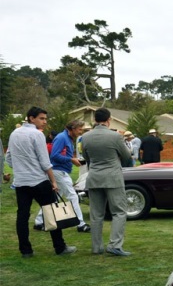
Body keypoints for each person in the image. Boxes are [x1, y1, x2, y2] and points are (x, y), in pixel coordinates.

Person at [7, 106, 77, 257]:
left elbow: (8, 158)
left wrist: (20, 167)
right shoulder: (37, 135)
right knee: (52, 213)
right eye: (42, 118)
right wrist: (54, 181)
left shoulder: (14, 133)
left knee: (22, 216)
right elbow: (45, 162)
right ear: (31, 118)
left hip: (21, 182)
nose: (45, 122)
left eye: (45, 118)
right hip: (39, 180)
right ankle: (60, 247)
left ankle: (25, 250)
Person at [82, 107, 133, 256]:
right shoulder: (115, 136)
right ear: (108, 120)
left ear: (94, 120)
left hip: (94, 177)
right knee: (119, 212)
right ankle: (115, 244)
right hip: (113, 177)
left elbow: (87, 157)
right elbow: (126, 156)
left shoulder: (86, 137)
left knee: (96, 214)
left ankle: (96, 247)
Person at [32, 119, 91, 233]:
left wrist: (72, 159)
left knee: (54, 198)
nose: (81, 132)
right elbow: (54, 156)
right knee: (73, 196)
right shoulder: (61, 137)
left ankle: (39, 222)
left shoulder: (67, 138)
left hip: (59, 171)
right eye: (80, 129)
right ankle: (80, 224)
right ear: (73, 128)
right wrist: (71, 159)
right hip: (59, 171)